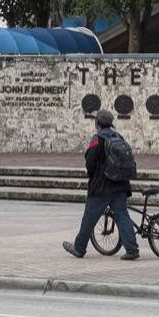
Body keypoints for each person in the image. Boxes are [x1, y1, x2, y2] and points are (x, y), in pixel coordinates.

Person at [63, 110, 139, 260]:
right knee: (122, 215)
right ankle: (132, 250)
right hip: (121, 185)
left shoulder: (97, 139)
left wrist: (94, 176)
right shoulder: (118, 137)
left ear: (97, 123)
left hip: (101, 187)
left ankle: (79, 248)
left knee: (89, 217)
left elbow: (90, 164)